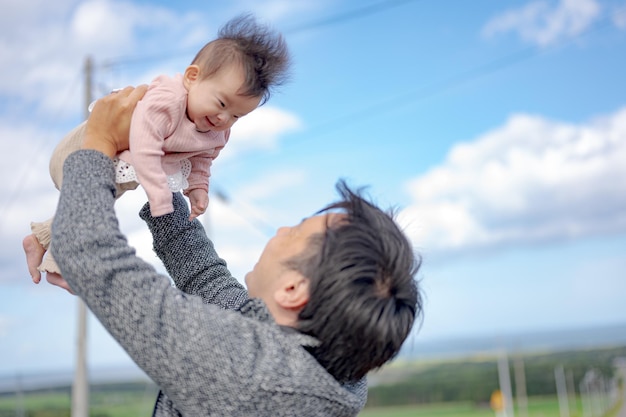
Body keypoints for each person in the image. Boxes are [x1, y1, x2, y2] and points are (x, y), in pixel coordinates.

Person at [23, 87, 423, 416]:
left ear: (293, 290)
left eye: (296, 230)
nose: (282, 229)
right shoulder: (325, 365)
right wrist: (160, 188)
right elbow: (205, 278)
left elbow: (94, 258)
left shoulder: (249, 375)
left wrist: (100, 140)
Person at [27, 13, 290, 275]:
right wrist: (160, 197)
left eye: (237, 115)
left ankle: (40, 239)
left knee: (94, 207)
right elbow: (145, 147)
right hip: (83, 149)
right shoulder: (166, 101)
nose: (224, 118)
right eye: (222, 103)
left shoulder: (217, 131)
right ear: (192, 77)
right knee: (90, 213)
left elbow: (202, 159)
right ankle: (61, 266)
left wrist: (198, 187)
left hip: (119, 166)